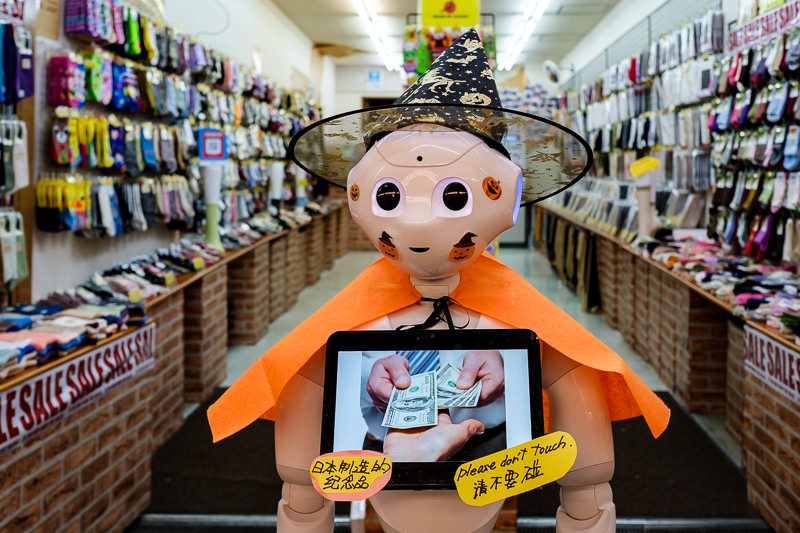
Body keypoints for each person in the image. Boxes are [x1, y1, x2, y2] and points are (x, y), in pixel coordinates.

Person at [207, 29, 670, 533]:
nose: (421, 223)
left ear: (509, 197)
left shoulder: (512, 311)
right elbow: (307, 385)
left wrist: (587, 486)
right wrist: (301, 489)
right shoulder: (355, 315)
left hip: (489, 460)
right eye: (391, 198)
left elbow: (572, 381)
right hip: (382, 463)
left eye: (452, 197)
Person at [361, 350, 506, 461]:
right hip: (389, 446)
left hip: (487, 445)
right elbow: (344, 364)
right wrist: (368, 377)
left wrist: (503, 356)